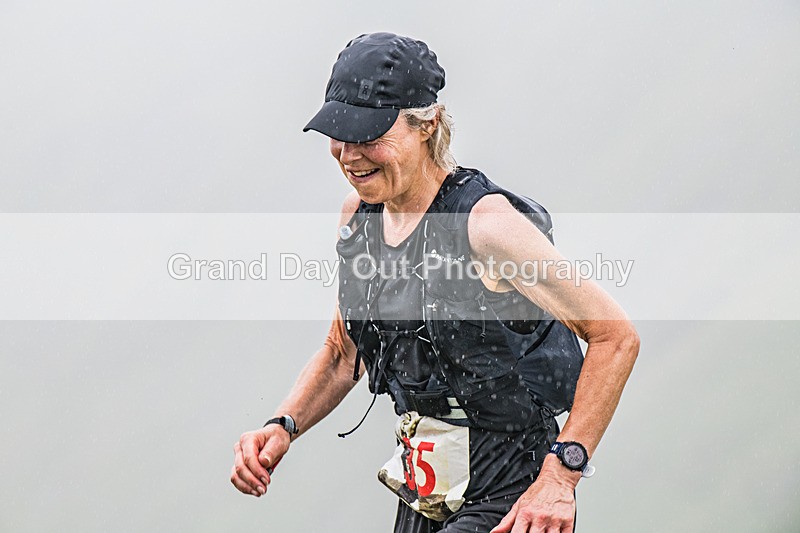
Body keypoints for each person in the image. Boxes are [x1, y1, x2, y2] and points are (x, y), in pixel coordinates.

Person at [231, 32, 639, 533]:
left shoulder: (485, 225)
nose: (349, 155)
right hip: (426, 492)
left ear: (426, 125)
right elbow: (343, 352)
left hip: (514, 490)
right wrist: (283, 425)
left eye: (369, 136)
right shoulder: (359, 218)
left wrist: (560, 478)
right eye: (340, 135)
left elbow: (615, 337)